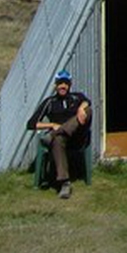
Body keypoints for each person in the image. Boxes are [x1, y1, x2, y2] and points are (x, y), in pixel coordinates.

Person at [27, 69, 91, 198]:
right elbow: (31, 124)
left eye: (66, 83)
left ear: (70, 85)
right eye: (60, 83)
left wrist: (81, 108)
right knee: (58, 140)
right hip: (61, 140)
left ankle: (54, 135)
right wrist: (51, 125)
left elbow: (87, 102)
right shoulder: (49, 102)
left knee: (88, 110)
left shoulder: (77, 97)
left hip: (77, 137)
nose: (63, 86)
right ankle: (64, 183)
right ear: (55, 85)